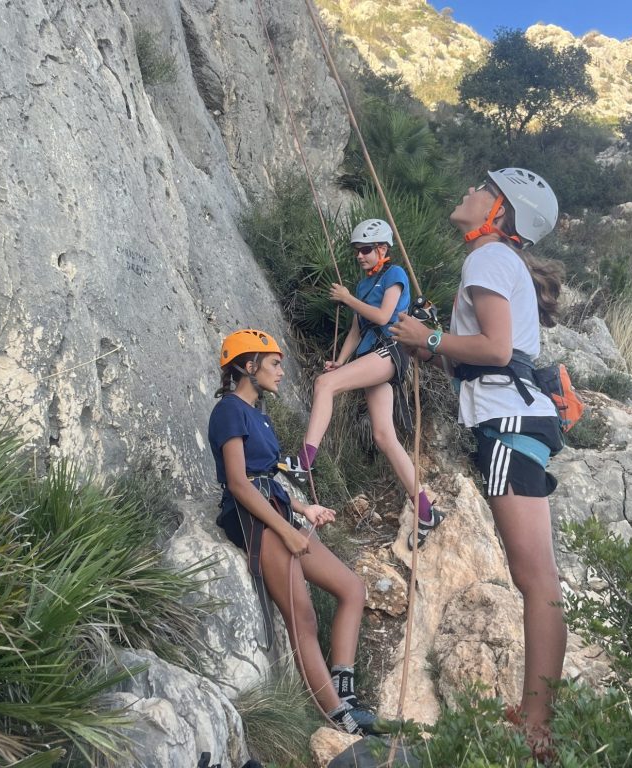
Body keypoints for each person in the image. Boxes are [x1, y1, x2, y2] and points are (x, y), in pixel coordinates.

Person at [390, 168, 566, 758]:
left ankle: (536, 727)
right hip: (521, 418)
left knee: (535, 579)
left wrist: (431, 340)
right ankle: (537, 719)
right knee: (539, 577)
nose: (468, 189)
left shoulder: (488, 259)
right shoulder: (498, 262)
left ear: (500, 212)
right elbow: (485, 360)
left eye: (482, 188)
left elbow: (492, 350)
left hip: (508, 424)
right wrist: (431, 344)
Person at [208, 329, 394, 735]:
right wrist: (285, 531)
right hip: (251, 519)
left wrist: (303, 508)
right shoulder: (229, 411)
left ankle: (344, 690)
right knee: (303, 617)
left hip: (273, 509)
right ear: (248, 366)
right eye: (274, 364)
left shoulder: (260, 416)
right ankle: (339, 717)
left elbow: (266, 479)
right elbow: (239, 483)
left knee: (352, 588)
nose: (281, 372)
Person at [287, 219, 443, 549]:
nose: (360, 256)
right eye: (357, 251)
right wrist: (342, 360)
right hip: (374, 354)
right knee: (384, 436)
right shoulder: (361, 287)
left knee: (324, 385)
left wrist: (346, 298)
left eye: (366, 250)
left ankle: (303, 462)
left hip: (390, 351)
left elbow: (385, 316)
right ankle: (426, 510)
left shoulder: (394, 275)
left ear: (382, 250)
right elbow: (357, 329)